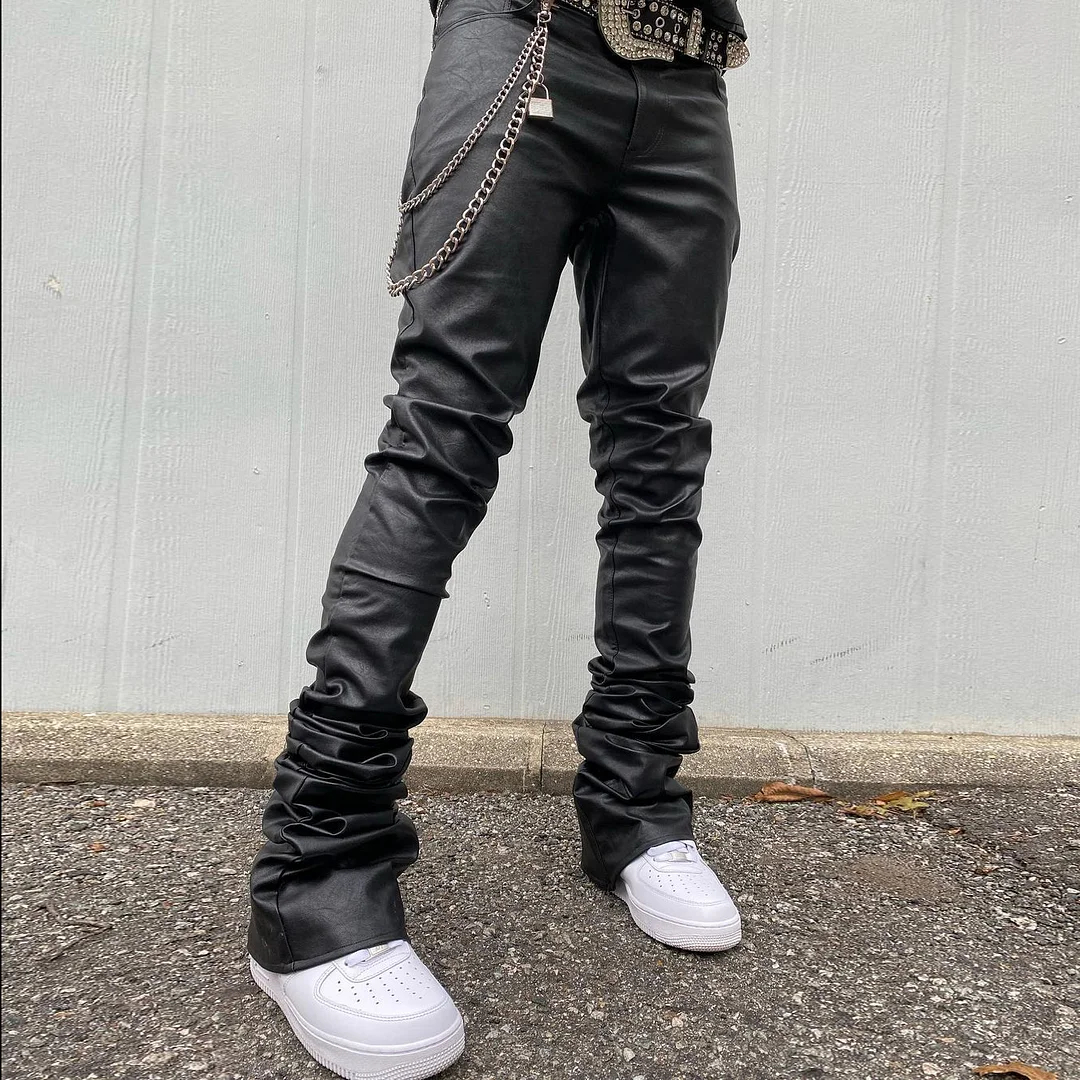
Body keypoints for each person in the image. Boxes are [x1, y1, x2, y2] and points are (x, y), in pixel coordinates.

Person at [246, 0, 749, 1076]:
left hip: (687, 67)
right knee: (445, 432)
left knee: (661, 451)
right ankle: (313, 877)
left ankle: (636, 806)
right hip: (526, 38)